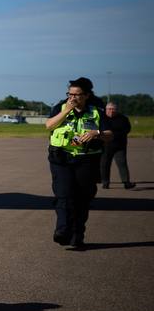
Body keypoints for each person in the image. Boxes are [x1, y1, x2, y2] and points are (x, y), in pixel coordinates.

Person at [45, 77, 112, 249]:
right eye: (70, 94)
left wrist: (95, 133)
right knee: (63, 195)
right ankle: (62, 230)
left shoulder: (96, 111)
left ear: (87, 95)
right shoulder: (60, 107)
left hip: (86, 160)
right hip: (61, 158)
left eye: (77, 94)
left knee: (82, 199)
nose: (72, 97)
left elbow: (109, 134)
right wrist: (66, 110)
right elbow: (49, 125)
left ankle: (77, 234)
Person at [101, 102, 134, 190]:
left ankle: (126, 182)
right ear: (106, 109)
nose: (111, 111)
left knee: (122, 163)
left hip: (120, 145)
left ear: (117, 110)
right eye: (109, 109)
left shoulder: (123, 119)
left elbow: (127, 130)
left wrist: (113, 134)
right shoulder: (102, 118)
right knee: (105, 164)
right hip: (105, 145)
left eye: (113, 109)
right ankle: (105, 182)